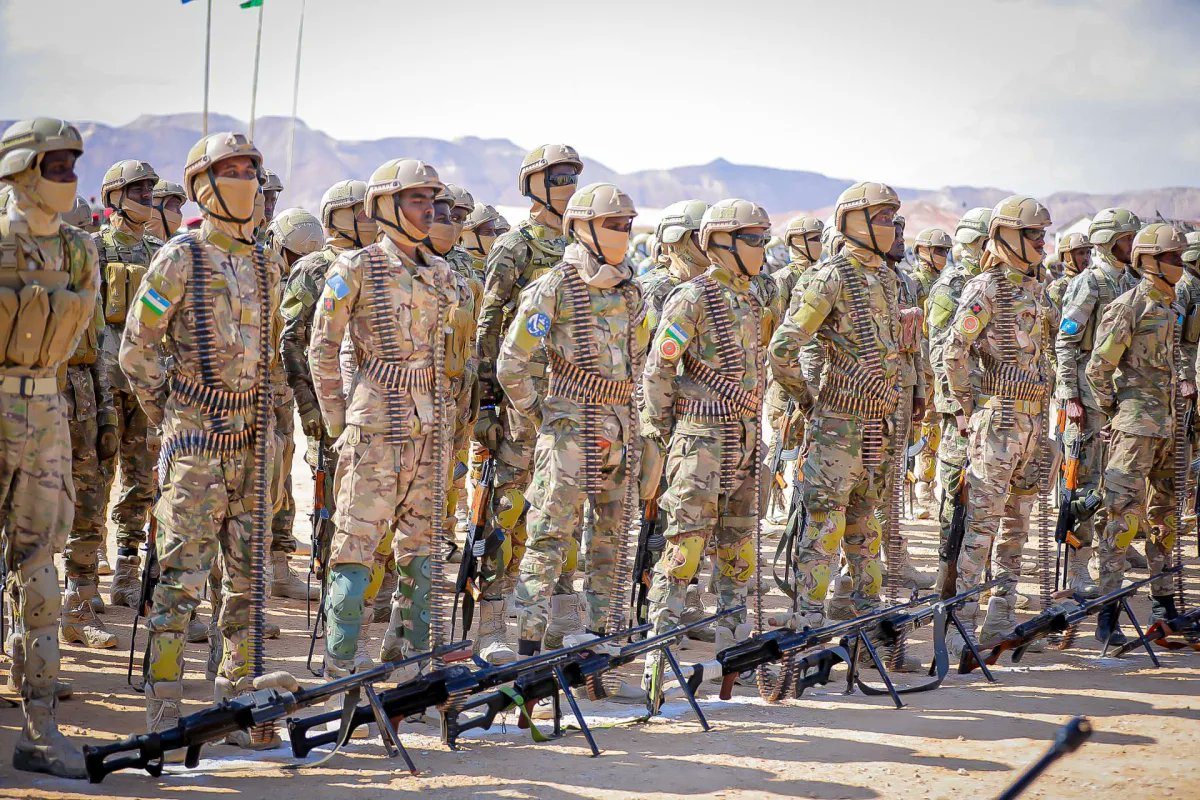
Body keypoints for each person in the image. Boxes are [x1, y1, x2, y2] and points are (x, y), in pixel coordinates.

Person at [120, 131, 288, 748]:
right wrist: (174, 415)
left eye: (250, 170)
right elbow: (137, 350)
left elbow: (272, 358)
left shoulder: (267, 262)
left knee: (247, 587)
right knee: (179, 584)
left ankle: (240, 706)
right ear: (203, 186)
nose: (246, 181)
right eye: (231, 171)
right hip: (195, 449)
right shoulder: (179, 258)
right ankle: (164, 711)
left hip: (253, 443)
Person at [308, 158, 475, 683]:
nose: (429, 211)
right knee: (355, 544)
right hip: (374, 427)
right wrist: (338, 423)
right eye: (416, 200)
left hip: (431, 428)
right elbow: (322, 348)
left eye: (432, 201)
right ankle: (342, 662)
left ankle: (412, 659)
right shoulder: (355, 268)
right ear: (384, 206)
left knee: (422, 548)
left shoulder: (443, 274)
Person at [498, 182, 644, 657]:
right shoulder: (555, 286)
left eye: (625, 225)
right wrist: (542, 413)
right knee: (548, 539)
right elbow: (511, 362)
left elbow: (640, 363)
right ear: (581, 227)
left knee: (611, 545)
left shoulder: (631, 290)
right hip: (568, 433)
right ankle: (527, 647)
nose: (622, 232)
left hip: (620, 432)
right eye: (611, 224)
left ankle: (600, 643)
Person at [0, 116, 98, 779]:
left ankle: (39, 731)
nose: (67, 176)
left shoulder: (79, 250)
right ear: (20, 171)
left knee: (40, 574)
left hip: (46, 414)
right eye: (54, 165)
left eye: (71, 165)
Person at [643, 197, 777, 668]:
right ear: (721, 242)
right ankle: (659, 651)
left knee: (738, 549)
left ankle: (732, 650)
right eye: (753, 239)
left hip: (743, 439)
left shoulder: (753, 297)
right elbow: (659, 369)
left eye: (763, 239)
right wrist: (665, 434)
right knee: (684, 547)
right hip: (699, 440)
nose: (762, 248)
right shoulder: (692, 297)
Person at [768, 182, 906, 628]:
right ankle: (808, 617)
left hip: (877, 423)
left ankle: (867, 617)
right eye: (881, 217)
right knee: (826, 523)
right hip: (837, 425)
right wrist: (808, 402)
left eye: (891, 218)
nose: (889, 226)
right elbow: (783, 349)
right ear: (853, 221)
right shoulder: (829, 276)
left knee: (866, 525)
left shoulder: (888, 278)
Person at [473, 144, 584, 662]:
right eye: (558, 177)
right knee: (508, 509)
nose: (568, 185)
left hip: (570, 401)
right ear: (533, 184)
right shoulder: (514, 247)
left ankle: (562, 618)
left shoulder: (584, 246)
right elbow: (489, 325)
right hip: (521, 403)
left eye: (573, 176)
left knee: (565, 510)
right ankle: (492, 623)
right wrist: (486, 405)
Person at [942, 195, 1053, 651]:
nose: (1042, 242)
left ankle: (1000, 617)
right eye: (1032, 234)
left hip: (1032, 422)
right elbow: (954, 351)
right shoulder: (985, 288)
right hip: (998, 421)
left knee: (1017, 527)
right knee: (982, 526)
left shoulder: (1038, 289)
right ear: (1007, 235)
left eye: (1043, 234)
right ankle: (960, 625)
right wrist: (968, 408)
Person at [1085, 223, 1191, 641]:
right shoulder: (1130, 306)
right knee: (1121, 519)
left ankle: (1164, 604)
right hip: (1134, 431)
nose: (1179, 264)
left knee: (1165, 518)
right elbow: (1098, 369)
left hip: (1170, 428)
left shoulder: (1172, 305)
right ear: (1148, 260)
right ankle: (1108, 615)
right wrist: (1119, 411)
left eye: (1181, 257)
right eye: (1172, 257)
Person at [1055, 209, 1144, 595]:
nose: (1133, 245)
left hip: (1120, 399)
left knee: (1119, 481)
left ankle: (1108, 556)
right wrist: (1070, 395)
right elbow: (1065, 342)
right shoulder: (1089, 283)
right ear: (1109, 242)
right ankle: (1077, 568)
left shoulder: (1132, 281)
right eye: (1127, 238)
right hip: (1088, 402)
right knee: (1084, 486)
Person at [90, 159, 164, 610]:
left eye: (149, 191)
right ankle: (85, 575)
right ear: (114, 197)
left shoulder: (158, 252)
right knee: (97, 476)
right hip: (101, 382)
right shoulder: (94, 249)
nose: (146, 199)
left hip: (144, 384)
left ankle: (125, 572)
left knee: (141, 481)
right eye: (138, 191)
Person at [926, 208, 991, 587]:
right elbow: (939, 351)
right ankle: (946, 578)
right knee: (956, 490)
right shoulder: (951, 285)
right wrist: (957, 408)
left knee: (987, 492)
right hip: (961, 411)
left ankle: (976, 577)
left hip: (990, 405)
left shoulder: (992, 283)